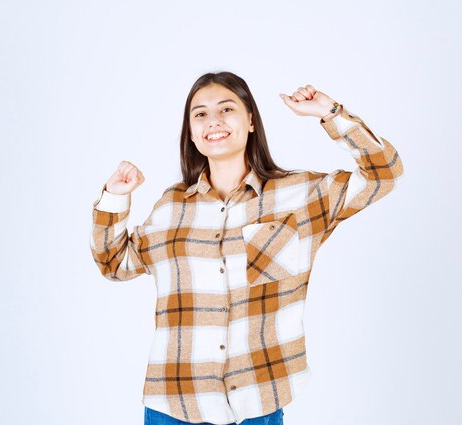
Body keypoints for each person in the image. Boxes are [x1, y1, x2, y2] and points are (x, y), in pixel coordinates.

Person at [90, 71, 404, 425]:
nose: (214, 122)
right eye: (201, 114)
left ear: (251, 120)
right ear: (192, 133)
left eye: (227, 109)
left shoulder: (299, 195)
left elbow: (384, 174)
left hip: (258, 402)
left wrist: (330, 113)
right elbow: (114, 263)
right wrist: (115, 198)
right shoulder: (171, 207)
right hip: (173, 406)